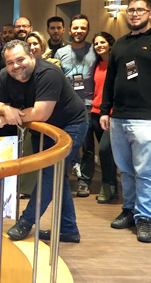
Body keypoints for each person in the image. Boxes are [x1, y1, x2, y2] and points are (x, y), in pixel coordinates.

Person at [0, 40, 88, 243]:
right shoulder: (5, 75)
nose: (16, 66)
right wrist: (4, 110)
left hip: (71, 125)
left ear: (31, 57)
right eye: (10, 63)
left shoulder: (48, 73)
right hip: (40, 130)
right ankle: (68, 229)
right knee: (55, 176)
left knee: (49, 174)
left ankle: (26, 222)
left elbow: (41, 113)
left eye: (20, 60)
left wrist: (9, 115)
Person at [100, 0, 151, 243]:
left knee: (146, 171)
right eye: (130, 10)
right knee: (126, 170)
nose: (134, 14)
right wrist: (104, 110)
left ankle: (145, 218)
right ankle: (130, 210)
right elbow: (110, 80)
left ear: (150, 13)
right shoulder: (119, 44)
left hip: (148, 119)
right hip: (119, 118)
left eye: (140, 10)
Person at [54, 14, 97, 197]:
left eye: (83, 28)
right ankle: (62, 178)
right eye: (76, 28)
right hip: (66, 106)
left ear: (87, 30)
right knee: (65, 144)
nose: (79, 31)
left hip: (88, 104)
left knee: (87, 146)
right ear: (69, 30)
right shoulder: (60, 53)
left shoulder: (95, 51)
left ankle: (84, 181)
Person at [88, 32, 118, 204]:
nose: (99, 45)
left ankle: (106, 185)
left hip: (112, 113)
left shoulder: (117, 63)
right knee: (108, 153)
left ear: (110, 43)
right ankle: (113, 185)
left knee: (105, 149)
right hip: (95, 112)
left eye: (102, 42)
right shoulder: (97, 65)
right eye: (96, 43)